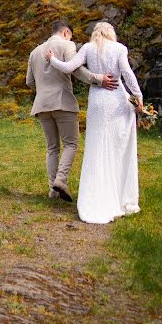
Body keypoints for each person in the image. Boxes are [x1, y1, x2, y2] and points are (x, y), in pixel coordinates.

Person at [45, 21, 143, 224]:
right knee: (118, 147)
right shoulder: (119, 48)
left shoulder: (88, 48)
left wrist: (52, 59)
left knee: (97, 147)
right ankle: (120, 194)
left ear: (95, 34)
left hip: (97, 103)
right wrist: (138, 96)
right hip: (116, 100)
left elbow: (69, 67)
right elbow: (127, 74)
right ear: (111, 34)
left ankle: (97, 196)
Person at [26, 20, 118, 202]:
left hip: (42, 105)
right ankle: (60, 180)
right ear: (66, 32)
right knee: (71, 144)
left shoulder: (35, 52)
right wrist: (99, 79)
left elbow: (29, 81)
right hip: (62, 102)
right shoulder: (66, 45)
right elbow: (75, 69)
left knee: (52, 148)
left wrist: (44, 87)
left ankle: (52, 190)